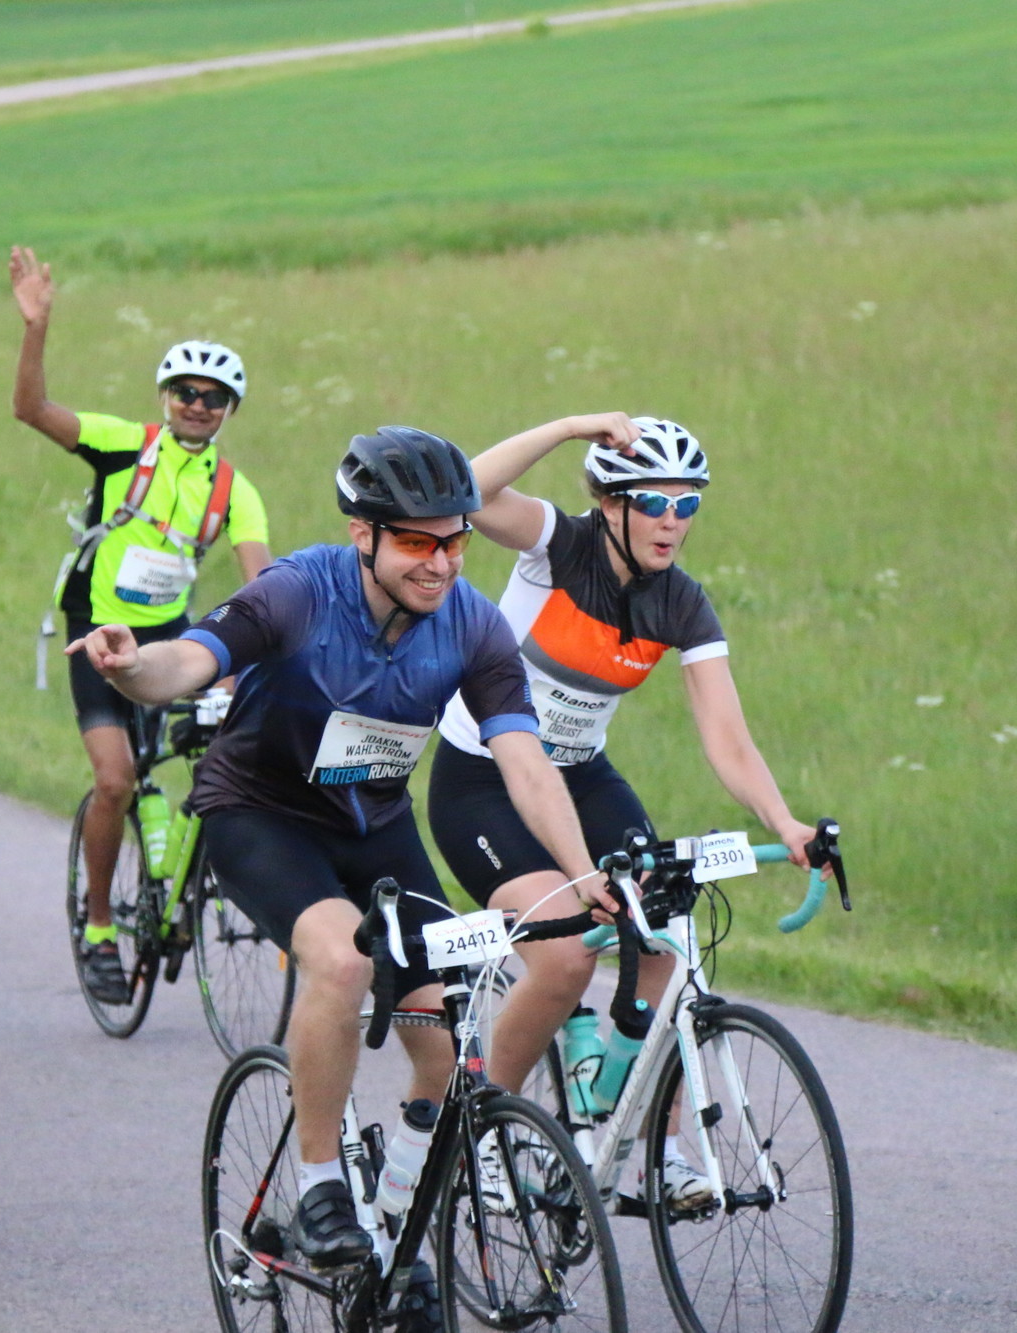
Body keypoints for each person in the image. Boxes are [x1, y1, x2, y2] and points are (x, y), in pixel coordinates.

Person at [70, 426, 616, 1266]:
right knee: (341, 961)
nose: (440, 563)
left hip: (376, 829)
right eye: (416, 543)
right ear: (362, 533)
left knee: (449, 1042)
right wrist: (130, 667)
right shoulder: (299, 590)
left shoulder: (472, 626)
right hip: (261, 815)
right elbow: (189, 660)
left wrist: (581, 877)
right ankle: (320, 1183)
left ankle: (393, 1228)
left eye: (454, 542)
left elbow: (526, 764)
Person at [428, 412, 815, 1204]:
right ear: (610, 504)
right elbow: (465, 490)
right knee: (569, 954)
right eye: (655, 502)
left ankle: (656, 1143)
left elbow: (727, 737)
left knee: (666, 930)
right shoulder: (559, 546)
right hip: (483, 781)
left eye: (688, 504)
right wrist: (573, 427)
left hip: (580, 775)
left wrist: (786, 823)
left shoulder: (681, 602)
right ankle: (484, 1129)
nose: (674, 521)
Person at [9, 245, 271, 1004]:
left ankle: (182, 885)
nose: (197, 405)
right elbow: (31, 411)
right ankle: (99, 927)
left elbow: (263, 584)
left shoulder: (234, 488)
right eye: (185, 391)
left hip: (169, 636)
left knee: (224, 764)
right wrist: (36, 328)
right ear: (165, 396)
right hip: (96, 629)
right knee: (115, 779)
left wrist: (255, 655)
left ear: (229, 411)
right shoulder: (128, 445)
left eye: (213, 397)